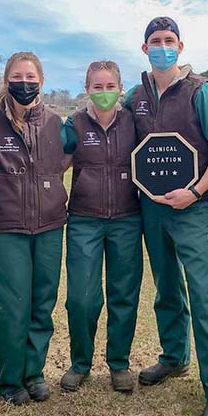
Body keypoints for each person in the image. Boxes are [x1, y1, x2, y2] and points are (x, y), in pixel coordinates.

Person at [123, 16, 208, 416]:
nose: (162, 47)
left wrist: (196, 189)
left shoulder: (201, 91)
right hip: (151, 207)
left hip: (193, 206)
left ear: (181, 46)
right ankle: (174, 355)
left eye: (169, 40)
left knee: (205, 294)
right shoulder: (136, 95)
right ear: (144, 48)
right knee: (166, 287)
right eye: (155, 41)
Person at [0, 51, 67, 406]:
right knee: (9, 307)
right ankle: (10, 380)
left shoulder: (55, 122)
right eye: (17, 77)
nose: (25, 84)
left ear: (41, 82)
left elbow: (69, 156)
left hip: (49, 225)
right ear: (7, 81)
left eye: (31, 78)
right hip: (5, 226)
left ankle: (34, 373)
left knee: (42, 303)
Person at [59, 60, 143, 393]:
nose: (104, 93)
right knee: (81, 298)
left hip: (126, 218)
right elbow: (54, 167)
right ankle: (80, 363)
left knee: (124, 294)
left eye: (110, 87)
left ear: (121, 89)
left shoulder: (134, 122)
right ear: (87, 88)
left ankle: (119, 363)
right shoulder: (74, 124)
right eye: (97, 87)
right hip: (84, 219)